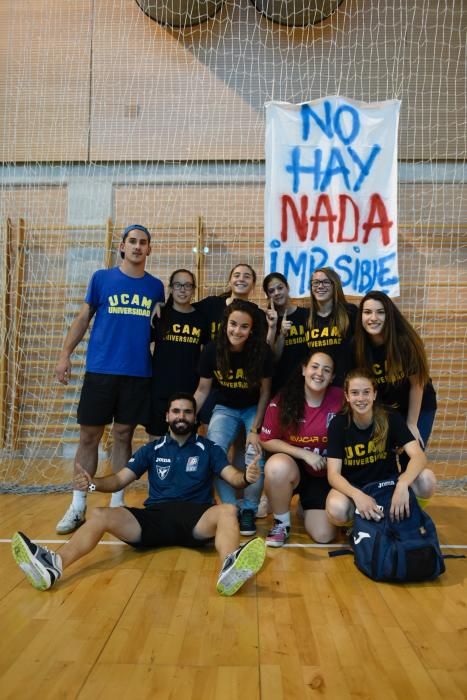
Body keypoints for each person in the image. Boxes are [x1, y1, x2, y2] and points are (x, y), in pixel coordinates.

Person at [11, 394, 267, 596]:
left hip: (196, 519)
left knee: (228, 510)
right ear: (167, 416)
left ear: (195, 417)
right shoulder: (151, 449)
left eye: (187, 411)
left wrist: (246, 478)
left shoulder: (208, 448)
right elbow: (119, 479)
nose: (181, 416)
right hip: (154, 519)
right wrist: (92, 484)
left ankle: (229, 568)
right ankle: (54, 564)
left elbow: (231, 476)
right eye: (176, 411)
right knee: (100, 514)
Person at [54, 224, 165, 535]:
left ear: (149, 249)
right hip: (101, 371)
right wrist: (65, 355)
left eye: (143, 242)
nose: (137, 247)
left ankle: (117, 504)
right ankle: (78, 504)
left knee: (123, 436)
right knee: (89, 437)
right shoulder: (101, 279)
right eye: (132, 241)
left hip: (137, 373)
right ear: (122, 246)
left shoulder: (156, 287)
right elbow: (82, 318)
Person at [194, 299, 273, 536]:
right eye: (233, 324)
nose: (237, 331)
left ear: (251, 330)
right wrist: (187, 417)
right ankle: (230, 507)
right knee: (215, 452)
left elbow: (265, 392)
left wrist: (255, 429)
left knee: (254, 454)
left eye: (244, 327)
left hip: (252, 407)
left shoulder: (261, 353)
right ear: (225, 324)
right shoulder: (212, 350)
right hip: (225, 407)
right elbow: (202, 390)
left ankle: (248, 509)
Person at [325, 369, 436, 526]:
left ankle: (411, 513)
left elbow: (419, 456)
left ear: (374, 395)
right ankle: (357, 527)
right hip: (356, 487)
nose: (361, 398)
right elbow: (333, 475)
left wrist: (403, 483)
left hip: (388, 486)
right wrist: (357, 495)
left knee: (426, 479)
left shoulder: (389, 416)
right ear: (347, 396)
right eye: (355, 393)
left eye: (366, 392)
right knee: (336, 508)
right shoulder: (338, 424)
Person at [260, 351, 343, 547]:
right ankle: (281, 524)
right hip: (296, 469)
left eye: (326, 370)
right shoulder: (284, 400)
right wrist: (305, 454)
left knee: (324, 536)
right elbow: (266, 439)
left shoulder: (341, 399)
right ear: (304, 370)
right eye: (314, 367)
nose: (319, 373)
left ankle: (306, 506)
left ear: (331, 378)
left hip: (325, 476)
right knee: (276, 466)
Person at [353, 290, 437, 449]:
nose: (373, 318)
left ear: (389, 316)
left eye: (380, 312)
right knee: (384, 455)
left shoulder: (404, 343)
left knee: (410, 454)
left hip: (418, 406)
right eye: (367, 312)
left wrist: (411, 424)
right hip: (388, 410)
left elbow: (417, 384)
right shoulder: (357, 347)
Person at [147, 269, 209, 438]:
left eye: (188, 285)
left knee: (185, 445)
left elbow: (208, 354)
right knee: (157, 444)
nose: (183, 289)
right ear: (171, 288)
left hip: (189, 392)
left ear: (194, 290)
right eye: (178, 285)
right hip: (160, 391)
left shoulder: (201, 319)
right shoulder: (160, 315)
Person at [307, 267, 357, 386]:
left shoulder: (350, 312)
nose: (320, 286)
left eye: (325, 282)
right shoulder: (307, 317)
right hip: (319, 386)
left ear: (335, 285)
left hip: (347, 386)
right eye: (316, 283)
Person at [262, 272, 310, 396]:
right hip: (280, 385)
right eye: (271, 291)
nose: (277, 293)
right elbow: (271, 359)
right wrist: (281, 334)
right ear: (268, 296)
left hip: (306, 383)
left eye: (280, 288)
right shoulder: (267, 320)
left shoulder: (307, 315)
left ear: (287, 287)